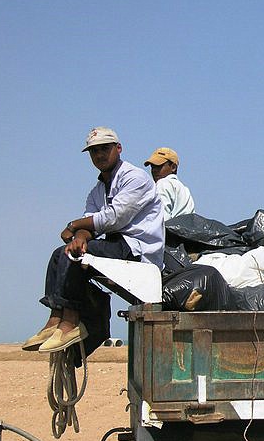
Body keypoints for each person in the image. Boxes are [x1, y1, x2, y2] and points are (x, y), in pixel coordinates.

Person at [22, 127, 165, 353]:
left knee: (73, 255)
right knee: (62, 254)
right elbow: (91, 223)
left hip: (136, 247)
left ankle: (70, 322)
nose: (99, 155)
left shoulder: (135, 177)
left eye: (104, 149)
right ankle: (55, 318)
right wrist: (79, 237)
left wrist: (74, 226)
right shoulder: (96, 191)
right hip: (115, 244)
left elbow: (113, 218)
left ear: (118, 148)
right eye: (94, 151)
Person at [143, 147, 195, 219]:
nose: (154, 170)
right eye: (153, 166)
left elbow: (162, 218)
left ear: (173, 167)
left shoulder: (163, 183)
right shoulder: (185, 190)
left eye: (159, 166)